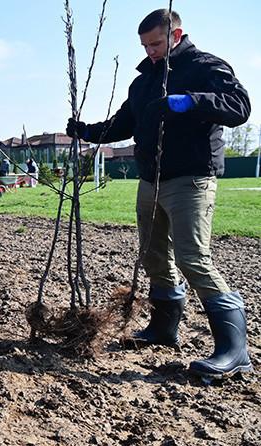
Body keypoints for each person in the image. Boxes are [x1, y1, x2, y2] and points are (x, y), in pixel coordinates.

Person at [66, 9, 251, 379]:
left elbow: (240, 107)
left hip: (190, 179)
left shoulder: (205, 67)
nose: (150, 51)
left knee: (192, 257)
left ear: (176, 34)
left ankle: (235, 351)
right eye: (145, 45)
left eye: (155, 43)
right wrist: (85, 131)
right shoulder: (144, 80)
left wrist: (192, 101)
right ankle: (163, 330)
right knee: (153, 255)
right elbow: (124, 122)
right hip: (151, 179)